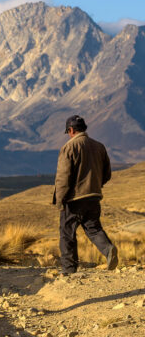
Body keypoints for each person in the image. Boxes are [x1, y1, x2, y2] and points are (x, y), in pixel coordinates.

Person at [53, 115, 117, 275]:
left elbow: (63, 177)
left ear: (71, 130)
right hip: (94, 196)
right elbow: (107, 173)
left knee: (67, 232)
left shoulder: (69, 147)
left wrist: (60, 200)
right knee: (93, 228)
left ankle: (68, 269)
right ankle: (109, 250)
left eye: (68, 131)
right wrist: (95, 185)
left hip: (74, 199)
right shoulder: (99, 146)